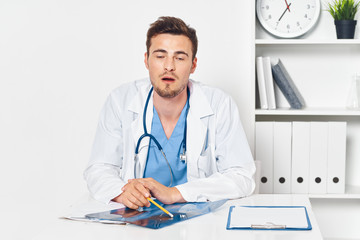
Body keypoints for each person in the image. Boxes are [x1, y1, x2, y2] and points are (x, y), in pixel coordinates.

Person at [84, 16, 256, 209]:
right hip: (138, 217)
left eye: (180, 57)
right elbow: (98, 169)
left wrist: (174, 193)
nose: (169, 66)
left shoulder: (219, 104)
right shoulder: (120, 101)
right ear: (146, 60)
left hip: (199, 220)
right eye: (160, 56)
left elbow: (242, 178)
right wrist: (123, 193)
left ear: (193, 65)